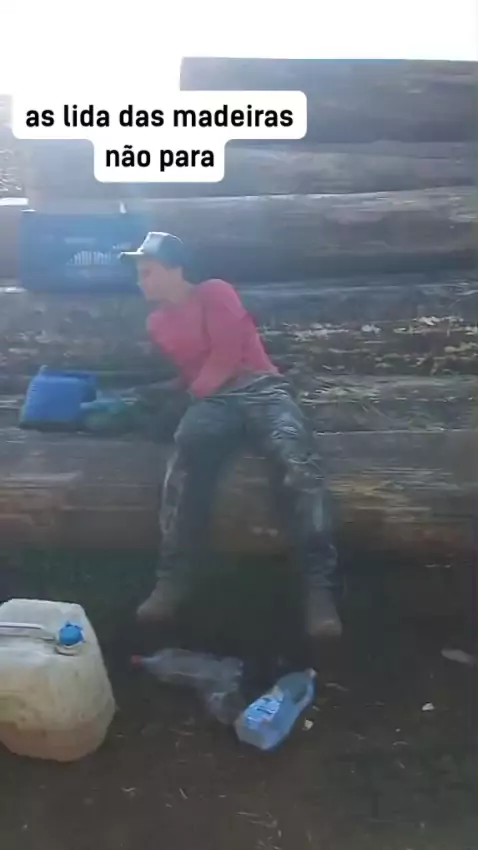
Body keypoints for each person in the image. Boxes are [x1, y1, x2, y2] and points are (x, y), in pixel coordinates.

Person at [121, 232, 342, 640]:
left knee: (297, 459)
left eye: (147, 272)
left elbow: (226, 355)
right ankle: (173, 578)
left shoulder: (215, 292)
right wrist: (163, 392)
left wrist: (187, 398)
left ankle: (318, 588)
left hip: (260, 388)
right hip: (214, 399)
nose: (140, 281)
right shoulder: (157, 322)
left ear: (174, 269)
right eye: (139, 273)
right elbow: (197, 368)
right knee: (186, 453)